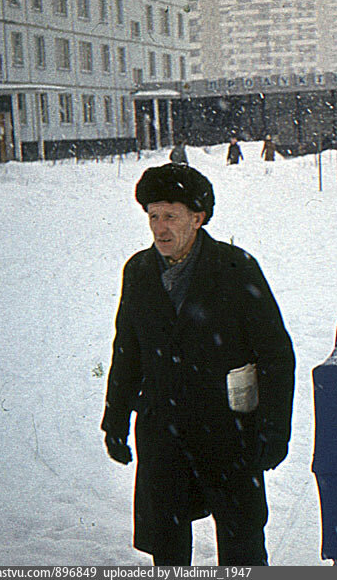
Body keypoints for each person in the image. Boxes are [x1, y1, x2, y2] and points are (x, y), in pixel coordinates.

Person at [101, 163, 295, 566]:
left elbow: (276, 355)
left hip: (227, 433)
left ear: (198, 217)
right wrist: (116, 419)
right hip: (163, 433)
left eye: (170, 216)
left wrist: (274, 429)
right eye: (153, 216)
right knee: (168, 547)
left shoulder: (235, 269)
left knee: (241, 545)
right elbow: (128, 352)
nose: (160, 228)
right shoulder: (138, 271)